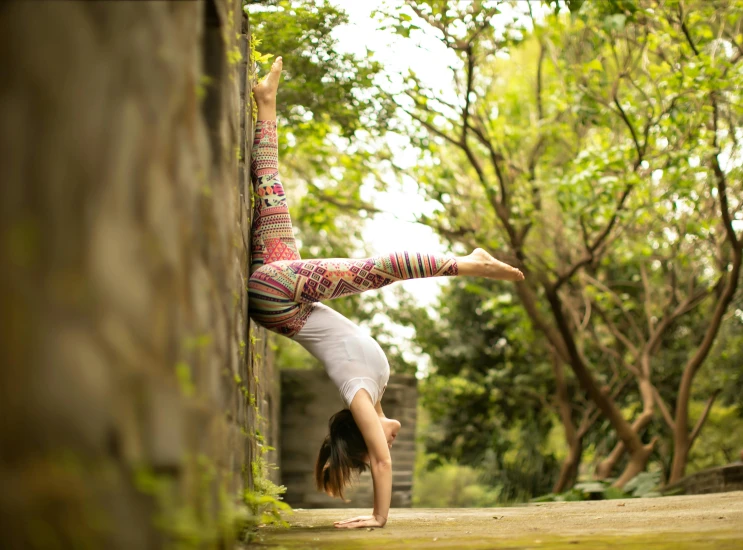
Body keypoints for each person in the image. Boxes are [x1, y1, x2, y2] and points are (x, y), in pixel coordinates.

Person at [248, 57, 524, 529]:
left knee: (380, 270)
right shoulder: (372, 394)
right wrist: (383, 424)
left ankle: (469, 264)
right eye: (383, 433)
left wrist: (378, 517)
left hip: (279, 299)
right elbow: (383, 435)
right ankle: (266, 102)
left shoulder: (358, 393)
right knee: (270, 189)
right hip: (283, 295)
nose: (387, 437)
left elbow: (379, 461)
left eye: (376, 434)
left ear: (364, 428)